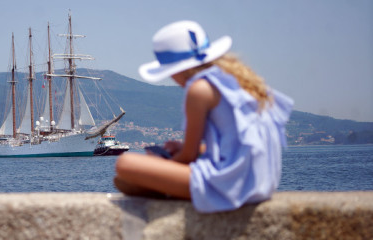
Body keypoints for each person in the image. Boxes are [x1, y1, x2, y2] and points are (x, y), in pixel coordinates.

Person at [114, 20, 293, 213]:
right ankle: (166, 186)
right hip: (260, 184)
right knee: (130, 176)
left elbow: (188, 157)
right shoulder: (236, 82)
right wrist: (183, 150)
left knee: (125, 164)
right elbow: (234, 143)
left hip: (231, 187)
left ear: (178, 69)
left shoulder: (199, 90)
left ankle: (169, 189)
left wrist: (162, 163)